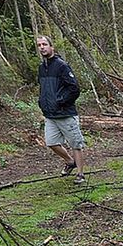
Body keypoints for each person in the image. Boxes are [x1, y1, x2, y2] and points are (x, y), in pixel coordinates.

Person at [36, 35, 86, 184]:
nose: (42, 47)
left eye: (44, 44)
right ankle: (70, 162)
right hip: (50, 115)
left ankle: (80, 174)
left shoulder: (61, 66)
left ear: (52, 47)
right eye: (39, 45)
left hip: (65, 114)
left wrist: (61, 101)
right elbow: (43, 89)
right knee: (51, 143)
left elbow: (74, 88)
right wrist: (42, 102)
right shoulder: (41, 68)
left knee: (75, 144)